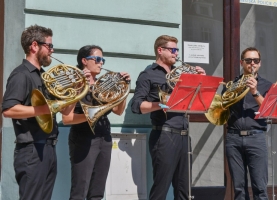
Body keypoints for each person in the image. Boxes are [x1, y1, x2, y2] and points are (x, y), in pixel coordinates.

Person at [1, 25, 74, 200]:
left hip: (48, 147)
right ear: (35, 46)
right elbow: (8, 109)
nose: (52, 50)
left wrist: (76, 91)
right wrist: (43, 109)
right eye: (49, 46)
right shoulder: (21, 75)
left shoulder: (44, 76)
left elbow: (64, 110)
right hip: (31, 150)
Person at [131, 35, 206, 200]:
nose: (176, 53)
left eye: (177, 50)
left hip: (184, 134)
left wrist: (200, 80)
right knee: (161, 189)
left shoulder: (181, 76)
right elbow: (136, 106)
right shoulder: (148, 75)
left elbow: (197, 102)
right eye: (172, 50)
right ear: (160, 50)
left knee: (184, 190)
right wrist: (161, 104)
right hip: (164, 135)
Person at [62, 45, 131, 200]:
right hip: (83, 139)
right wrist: (80, 87)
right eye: (98, 59)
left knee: (97, 192)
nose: (101, 63)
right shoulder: (73, 83)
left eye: (103, 60)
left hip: (104, 138)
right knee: (80, 191)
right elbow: (66, 119)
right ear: (84, 61)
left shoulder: (102, 84)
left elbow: (118, 111)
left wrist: (124, 88)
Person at [225, 47, 272, 200]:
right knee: (239, 188)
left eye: (255, 61)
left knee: (260, 187)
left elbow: (270, 111)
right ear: (242, 62)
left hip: (256, 138)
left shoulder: (267, 85)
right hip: (233, 139)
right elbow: (222, 107)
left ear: (260, 64)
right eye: (248, 60)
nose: (252, 63)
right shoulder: (232, 85)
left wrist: (255, 92)